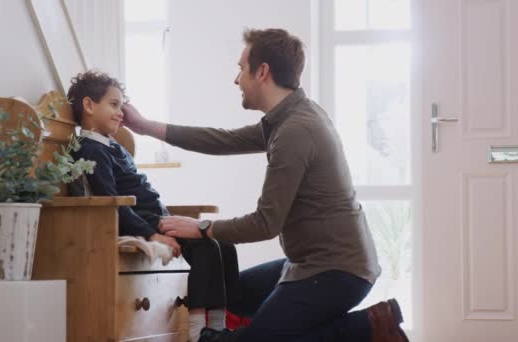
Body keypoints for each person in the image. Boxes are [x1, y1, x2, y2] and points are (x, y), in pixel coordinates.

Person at [121, 28, 409, 342]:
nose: (236, 80)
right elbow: (221, 140)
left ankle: (368, 327)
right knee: (234, 297)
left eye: (240, 69)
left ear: (262, 72)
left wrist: (202, 228)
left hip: (336, 271)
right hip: (314, 263)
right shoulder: (289, 117)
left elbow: (265, 224)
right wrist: (146, 127)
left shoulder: (295, 131)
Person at [66, 70, 240, 342]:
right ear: (88, 105)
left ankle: (223, 322)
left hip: (155, 215)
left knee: (225, 245)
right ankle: (198, 331)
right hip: (142, 220)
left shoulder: (111, 145)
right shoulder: (91, 150)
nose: (120, 112)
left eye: (121, 105)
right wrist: (152, 233)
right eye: (113, 104)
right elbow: (112, 206)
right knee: (205, 245)